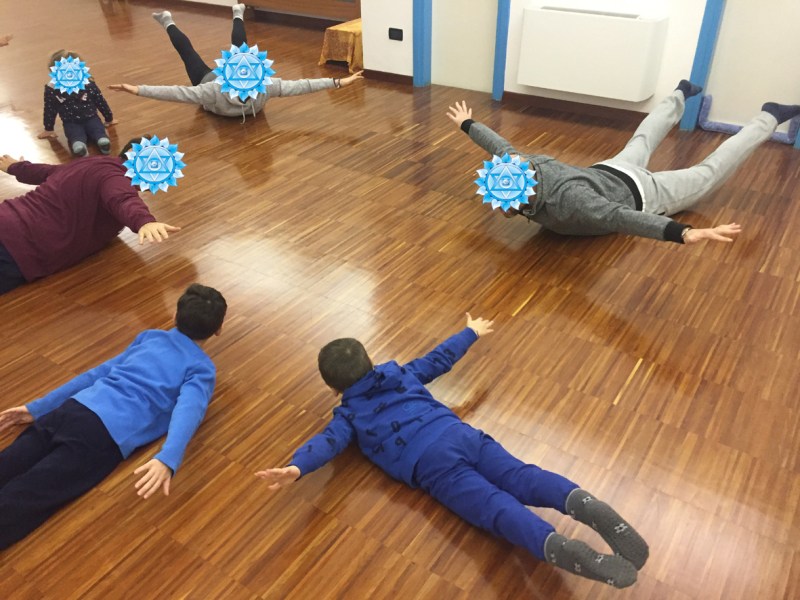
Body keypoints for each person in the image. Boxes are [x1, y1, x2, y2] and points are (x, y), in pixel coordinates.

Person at [256, 314, 648, 588]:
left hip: (432, 465)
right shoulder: (401, 373)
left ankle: (555, 546)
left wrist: (297, 467)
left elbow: (327, 443)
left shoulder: (349, 415)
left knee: (493, 507)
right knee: (523, 476)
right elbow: (438, 359)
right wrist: (470, 332)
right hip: (460, 434)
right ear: (371, 362)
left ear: (333, 388)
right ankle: (585, 503)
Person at [0, 283, 226, 550]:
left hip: (71, 409)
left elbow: (97, 373)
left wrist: (39, 407)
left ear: (175, 316)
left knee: (9, 461)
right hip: (102, 435)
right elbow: (189, 409)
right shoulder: (202, 368)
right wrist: (169, 457)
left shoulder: (150, 337)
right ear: (218, 330)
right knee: (32, 492)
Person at [447, 81, 800, 245]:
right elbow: (500, 147)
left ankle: (768, 117)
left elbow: (622, 218)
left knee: (708, 173)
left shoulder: (573, 202)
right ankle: (680, 93)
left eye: (504, 205)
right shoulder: (520, 164)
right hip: (609, 170)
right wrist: (467, 124)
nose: (499, 209)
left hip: (644, 193)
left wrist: (683, 232)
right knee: (642, 139)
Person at [108, 5, 363, 122]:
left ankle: (238, 13)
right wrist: (137, 89)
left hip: (221, 81)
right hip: (206, 79)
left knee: (240, 46)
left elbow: (301, 86)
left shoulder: (265, 86)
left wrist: (338, 82)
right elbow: (177, 93)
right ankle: (167, 20)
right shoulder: (212, 91)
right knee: (188, 52)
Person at [0, 140, 180, 295]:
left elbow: (48, 171)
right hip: (21, 248)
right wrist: (144, 221)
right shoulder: (116, 179)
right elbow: (122, 199)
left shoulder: (94, 162)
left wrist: (15, 167)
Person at [38, 49, 119, 156]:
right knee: (98, 130)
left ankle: (79, 145)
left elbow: (50, 109)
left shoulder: (51, 87)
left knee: (75, 135)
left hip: (71, 122)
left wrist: (49, 128)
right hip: (92, 117)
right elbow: (100, 101)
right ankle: (102, 140)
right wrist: (109, 119)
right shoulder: (87, 82)